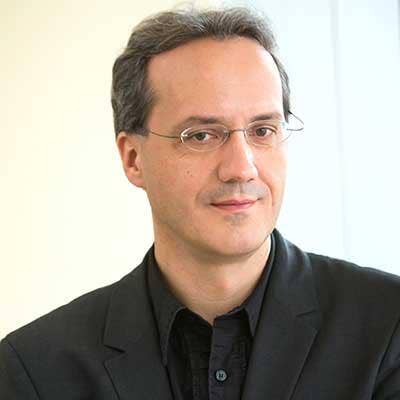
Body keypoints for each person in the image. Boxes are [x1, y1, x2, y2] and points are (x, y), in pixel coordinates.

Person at [1, 6, 399, 400]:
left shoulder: (388, 326)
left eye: (262, 130)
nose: (241, 168)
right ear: (133, 158)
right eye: (201, 136)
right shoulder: (35, 371)